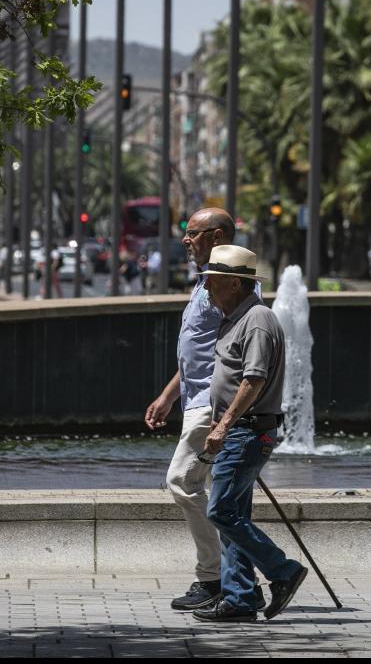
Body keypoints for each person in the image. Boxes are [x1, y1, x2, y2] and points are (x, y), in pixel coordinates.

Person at [144, 208, 265, 612]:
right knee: (222, 498)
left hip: (212, 407)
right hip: (196, 400)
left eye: (191, 233)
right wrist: (168, 396)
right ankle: (235, 584)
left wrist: (226, 415)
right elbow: (197, 353)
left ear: (215, 237)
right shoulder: (208, 284)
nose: (185, 239)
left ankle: (215, 578)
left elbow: (238, 358)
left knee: (181, 481)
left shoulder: (231, 288)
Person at [192, 244, 308, 623]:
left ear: (234, 283)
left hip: (246, 431)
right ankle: (241, 597)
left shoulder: (256, 319)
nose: (206, 288)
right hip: (238, 429)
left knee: (222, 511)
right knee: (234, 516)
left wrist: (225, 424)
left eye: (212, 281)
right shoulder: (235, 317)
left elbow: (252, 380)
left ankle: (284, 571)